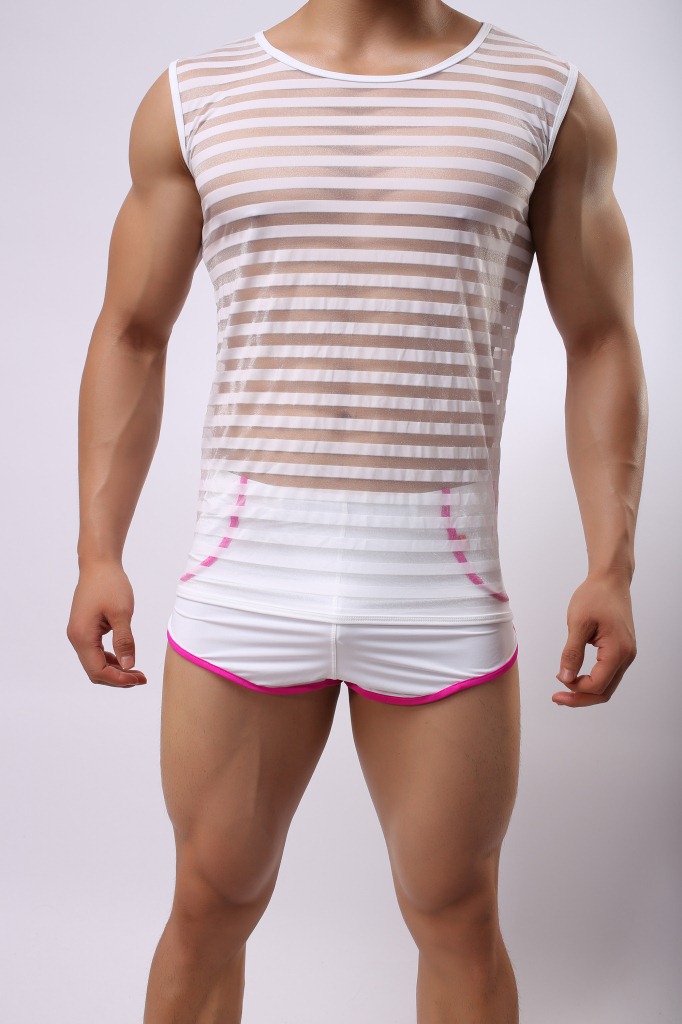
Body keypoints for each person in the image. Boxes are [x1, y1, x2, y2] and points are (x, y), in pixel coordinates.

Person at [66, 1, 647, 1021]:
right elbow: (131, 330)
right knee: (209, 903)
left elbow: (600, 337)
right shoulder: (196, 97)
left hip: (438, 582)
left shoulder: (548, 100)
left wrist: (613, 564)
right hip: (248, 572)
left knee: (458, 916)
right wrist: (96, 551)